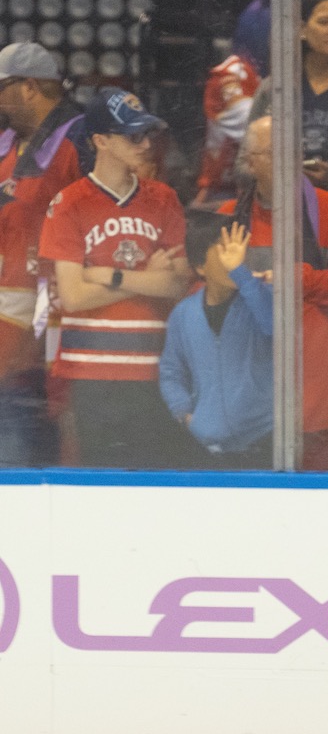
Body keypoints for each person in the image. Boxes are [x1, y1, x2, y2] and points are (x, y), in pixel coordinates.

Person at [38, 87, 197, 469]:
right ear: (101, 141)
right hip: (90, 375)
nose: (146, 145)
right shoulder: (68, 204)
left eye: (147, 134)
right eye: (133, 136)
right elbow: (73, 296)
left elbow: (177, 283)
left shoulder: (164, 199)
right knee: (99, 483)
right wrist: (145, 277)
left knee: (151, 483)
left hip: (154, 369)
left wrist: (108, 275)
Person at [221, 115, 328, 471]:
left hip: (324, 406)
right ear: (251, 162)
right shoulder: (227, 218)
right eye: (274, 152)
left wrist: (299, 279)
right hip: (249, 410)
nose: (288, 159)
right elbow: (206, 299)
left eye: (293, 150)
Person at [0, 43, 89, 466]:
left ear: (29, 87)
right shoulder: (5, 143)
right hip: (11, 322)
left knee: (51, 432)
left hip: (51, 318)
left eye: (2, 89)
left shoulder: (81, 140)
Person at [159, 214, 274, 468]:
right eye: (224, 250)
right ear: (200, 267)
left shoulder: (259, 295)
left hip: (265, 444)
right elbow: (170, 371)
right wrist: (186, 416)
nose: (234, 257)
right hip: (208, 449)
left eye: (239, 249)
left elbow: (273, 324)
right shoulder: (183, 314)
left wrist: (241, 274)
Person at [249, 0, 328, 206]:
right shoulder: (274, 88)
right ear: (302, 29)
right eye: (324, 22)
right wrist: (280, 174)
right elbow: (243, 164)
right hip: (282, 209)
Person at [194, 48, 261, 207]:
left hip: (247, 189)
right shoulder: (228, 77)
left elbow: (246, 120)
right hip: (223, 189)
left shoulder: (227, 77)